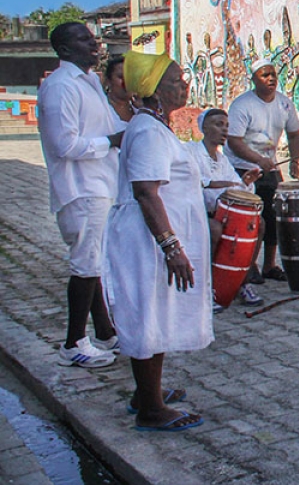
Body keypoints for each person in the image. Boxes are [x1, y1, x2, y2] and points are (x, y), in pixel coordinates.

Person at [104, 51, 211, 431]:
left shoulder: (153, 126)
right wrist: (172, 248)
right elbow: (146, 193)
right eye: (176, 80)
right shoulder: (148, 131)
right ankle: (150, 409)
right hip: (147, 241)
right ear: (154, 89)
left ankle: (146, 393)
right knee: (147, 315)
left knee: (158, 313)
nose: (184, 85)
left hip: (154, 239)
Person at [37, 22, 122, 368]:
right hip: (81, 189)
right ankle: (74, 342)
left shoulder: (90, 82)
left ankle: (105, 333)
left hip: (100, 184)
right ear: (64, 49)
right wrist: (110, 143)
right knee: (85, 266)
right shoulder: (61, 86)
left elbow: (111, 127)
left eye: (93, 37)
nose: (94, 43)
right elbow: (65, 144)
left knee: (94, 264)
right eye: (84, 39)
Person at [225, 59, 299, 284]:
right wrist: (258, 160)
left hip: (270, 167)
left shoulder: (285, 104)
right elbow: (234, 141)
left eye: (273, 75)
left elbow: (294, 134)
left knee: (274, 216)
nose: (270, 79)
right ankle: (249, 265)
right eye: (264, 75)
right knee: (250, 220)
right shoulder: (242, 105)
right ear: (254, 79)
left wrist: (295, 160)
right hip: (242, 168)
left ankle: (269, 265)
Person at [186, 109, 264, 310]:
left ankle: (241, 280)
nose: (224, 130)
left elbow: (236, 188)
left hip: (221, 213)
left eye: (227, 126)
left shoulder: (222, 160)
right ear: (204, 127)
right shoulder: (190, 151)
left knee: (258, 224)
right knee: (215, 229)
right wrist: (219, 184)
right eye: (218, 124)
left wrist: (246, 183)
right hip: (195, 214)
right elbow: (192, 181)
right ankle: (206, 288)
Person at [101, 54, 139, 128]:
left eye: (130, 77)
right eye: (121, 77)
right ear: (108, 81)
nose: (127, 82)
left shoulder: (138, 109)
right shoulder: (101, 108)